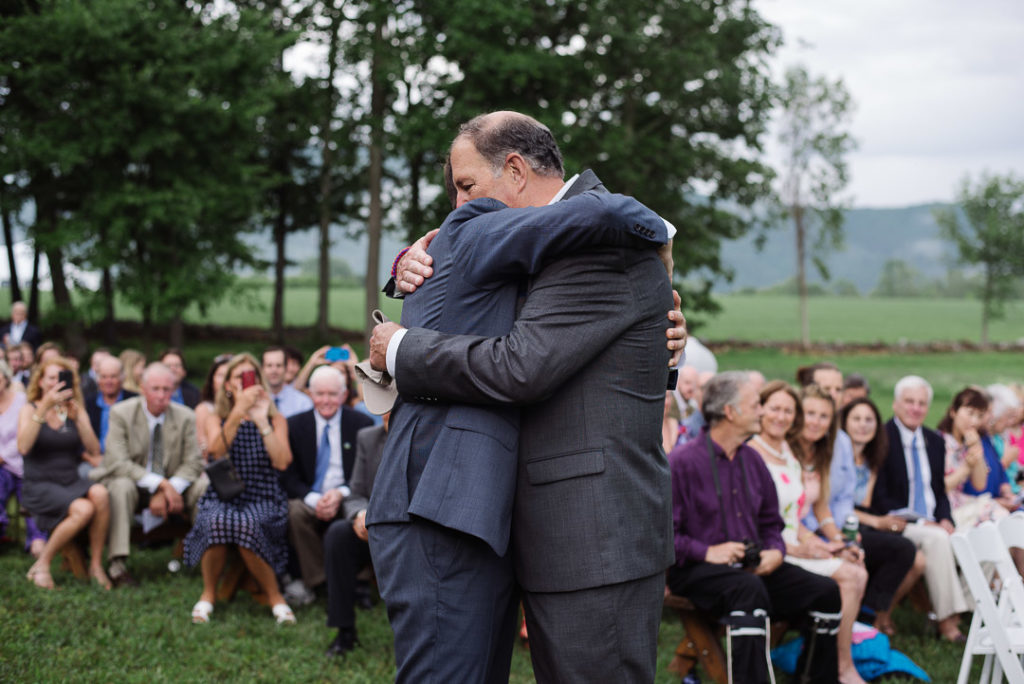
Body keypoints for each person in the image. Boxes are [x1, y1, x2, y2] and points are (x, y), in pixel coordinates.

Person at [371, 111, 685, 682]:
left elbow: (520, 366)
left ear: (514, 170)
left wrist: (398, 348)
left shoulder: (596, 240)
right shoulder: (541, 243)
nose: (459, 208)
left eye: (467, 187)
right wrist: (408, 268)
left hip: (592, 535)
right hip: (534, 528)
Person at [669, 371, 841, 684]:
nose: (762, 411)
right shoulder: (681, 462)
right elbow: (663, 537)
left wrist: (775, 551)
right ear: (730, 412)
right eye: (755, 405)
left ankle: (813, 679)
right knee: (749, 590)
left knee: (826, 592)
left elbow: (771, 522)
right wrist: (708, 551)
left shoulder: (752, 460)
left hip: (753, 567)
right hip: (696, 570)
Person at [749, 381, 868, 684]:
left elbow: (817, 509)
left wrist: (836, 542)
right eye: (809, 414)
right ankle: (839, 665)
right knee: (850, 576)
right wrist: (809, 544)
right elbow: (780, 517)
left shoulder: (814, 453)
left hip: (796, 536)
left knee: (857, 567)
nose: (815, 422)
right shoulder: (773, 450)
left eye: (824, 416)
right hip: (779, 545)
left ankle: (837, 660)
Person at [183, 353, 294, 624]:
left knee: (247, 524)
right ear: (229, 386)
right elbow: (216, 453)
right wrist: (237, 412)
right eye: (239, 377)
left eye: (251, 377)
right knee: (215, 520)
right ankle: (208, 593)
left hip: (263, 494)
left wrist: (262, 422)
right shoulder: (216, 417)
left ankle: (274, 596)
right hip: (225, 493)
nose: (246, 383)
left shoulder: (275, 419)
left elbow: (282, 462)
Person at [90, 363, 208, 587]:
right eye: (155, 389)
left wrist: (168, 488)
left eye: (167, 389)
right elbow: (117, 462)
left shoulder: (185, 416)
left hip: (173, 485)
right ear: (143, 389)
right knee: (121, 486)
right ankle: (117, 564)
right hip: (134, 483)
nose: (161, 395)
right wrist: (161, 485)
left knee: (203, 488)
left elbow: (193, 462)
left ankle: (210, 557)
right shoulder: (122, 413)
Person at [871, 375, 969, 642]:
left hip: (933, 521)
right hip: (898, 521)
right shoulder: (881, 438)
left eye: (921, 403)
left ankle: (963, 609)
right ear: (895, 404)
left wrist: (946, 518)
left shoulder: (934, 442)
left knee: (972, 538)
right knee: (937, 539)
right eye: (909, 402)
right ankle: (948, 624)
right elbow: (879, 497)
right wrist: (921, 522)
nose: (915, 408)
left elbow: (938, 491)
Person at [280, 366, 373, 605]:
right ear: (310, 394)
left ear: (343, 395)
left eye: (332, 394)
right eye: (320, 394)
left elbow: (365, 474)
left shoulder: (360, 424)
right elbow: (288, 477)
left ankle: (361, 581)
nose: (326, 400)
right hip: (310, 496)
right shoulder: (294, 425)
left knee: (363, 514)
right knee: (295, 512)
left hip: (347, 493)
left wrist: (340, 494)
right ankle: (321, 580)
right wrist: (314, 499)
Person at [18, 357, 110, 589]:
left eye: (61, 378)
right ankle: (43, 564)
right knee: (84, 508)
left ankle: (96, 565)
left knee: (100, 493)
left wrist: (79, 419)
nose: (55, 383)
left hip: (69, 480)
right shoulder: (29, 409)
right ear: (40, 381)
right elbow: (23, 447)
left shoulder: (73, 409)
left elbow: (93, 449)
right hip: (39, 483)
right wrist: (44, 407)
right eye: (51, 378)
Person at [841, 397, 926, 636]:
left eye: (869, 420)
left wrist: (884, 521)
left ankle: (878, 616)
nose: (863, 425)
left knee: (916, 559)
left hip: (867, 520)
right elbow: (841, 506)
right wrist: (877, 522)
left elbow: (868, 504)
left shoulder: (873, 458)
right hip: (843, 523)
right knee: (904, 550)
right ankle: (868, 614)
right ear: (844, 423)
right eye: (856, 419)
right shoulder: (837, 457)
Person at [323, 411, 390, 657]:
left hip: (410, 529)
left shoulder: (426, 437)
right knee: (339, 534)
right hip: (373, 525)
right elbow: (356, 492)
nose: (387, 415)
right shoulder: (368, 438)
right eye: (384, 410)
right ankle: (344, 630)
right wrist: (360, 515)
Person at [937, 387, 1013, 525]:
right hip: (943, 508)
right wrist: (966, 468)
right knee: (996, 515)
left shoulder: (969, 443)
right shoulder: (939, 442)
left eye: (979, 416)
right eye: (970, 413)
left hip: (963, 504)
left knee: (1004, 517)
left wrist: (976, 447)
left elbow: (980, 484)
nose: (974, 421)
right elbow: (938, 487)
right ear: (953, 412)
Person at [0, 359, 46, 555]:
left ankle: (37, 540)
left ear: (6, 378)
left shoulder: (21, 402)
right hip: (2, 470)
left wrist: (2, 456)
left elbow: (22, 436)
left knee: (31, 493)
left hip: (22, 463)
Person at [84, 355, 137, 455]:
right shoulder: (88, 403)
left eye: (113, 376)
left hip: (127, 458)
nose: (108, 381)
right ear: (97, 378)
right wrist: (91, 459)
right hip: (96, 459)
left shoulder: (134, 401)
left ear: (122, 377)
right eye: (104, 377)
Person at [195, 354, 233, 458]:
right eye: (220, 375)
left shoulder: (243, 408)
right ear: (212, 379)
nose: (224, 381)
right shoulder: (204, 409)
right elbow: (203, 448)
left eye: (228, 376)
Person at [262, 346, 313, 418]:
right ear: (262, 369)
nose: (274, 370)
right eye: (269, 365)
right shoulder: (253, 401)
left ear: (286, 368)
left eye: (279, 365)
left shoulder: (303, 402)